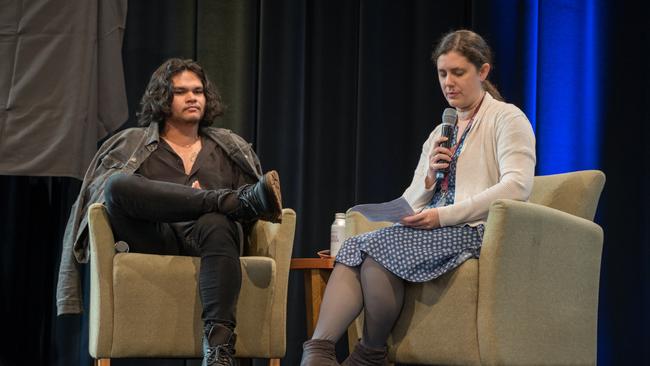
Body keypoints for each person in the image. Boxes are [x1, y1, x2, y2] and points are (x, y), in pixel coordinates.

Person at [300, 29, 536, 365]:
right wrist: (429, 179)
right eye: (442, 73)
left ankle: (370, 353)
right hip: (435, 226)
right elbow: (412, 199)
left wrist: (442, 215)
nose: (448, 82)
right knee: (355, 246)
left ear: (482, 72)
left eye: (458, 72)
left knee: (379, 249)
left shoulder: (507, 118)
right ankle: (319, 351)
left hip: (474, 229)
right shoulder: (441, 131)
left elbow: (518, 186)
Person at [56, 58, 283, 366]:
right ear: (163, 98)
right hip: (153, 239)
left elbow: (260, 212)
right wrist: (211, 199)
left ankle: (218, 352)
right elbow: (99, 197)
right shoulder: (131, 144)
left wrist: (220, 208)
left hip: (212, 242)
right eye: (181, 91)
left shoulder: (229, 147)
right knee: (117, 186)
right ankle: (227, 200)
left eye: (198, 91)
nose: (193, 97)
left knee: (218, 220)